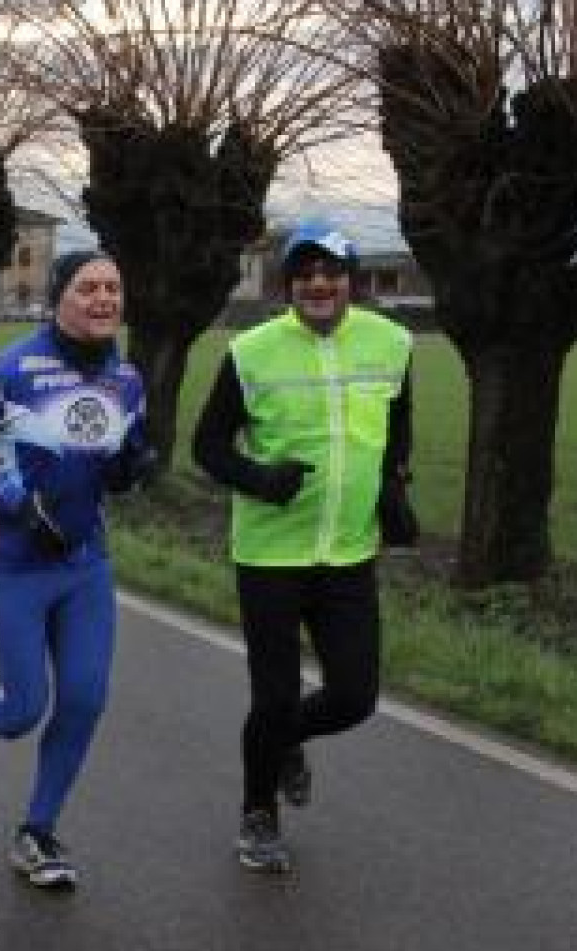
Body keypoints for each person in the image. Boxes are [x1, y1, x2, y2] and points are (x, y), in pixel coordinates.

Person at [0, 250, 153, 890]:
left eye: (113, 287)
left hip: (85, 564)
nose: (103, 298)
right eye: (87, 288)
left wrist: (133, 467)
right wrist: (14, 502)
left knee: (84, 700)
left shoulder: (127, 380)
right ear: (59, 298)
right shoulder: (11, 371)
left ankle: (37, 831)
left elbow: (120, 463)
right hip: (12, 561)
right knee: (22, 709)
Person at [192, 218, 417, 874]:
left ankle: (282, 741)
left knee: (354, 696)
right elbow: (207, 447)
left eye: (331, 273)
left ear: (351, 281)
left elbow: (398, 427)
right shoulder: (251, 352)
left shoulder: (394, 344)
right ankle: (258, 815)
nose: (319, 284)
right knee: (274, 698)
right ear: (288, 284)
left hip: (349, 553)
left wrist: (394, 487)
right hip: (270, 556)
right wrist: (261, 479)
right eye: (305, 274)